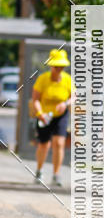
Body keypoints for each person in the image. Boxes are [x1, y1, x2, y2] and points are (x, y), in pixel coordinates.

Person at [32, 48, 72, 186]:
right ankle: (39, 171)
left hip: (60, 116)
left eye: (62, 66)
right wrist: (40, 114)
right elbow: (36, 99)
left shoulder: (67, 80)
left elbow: (74, 97)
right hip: (44, 115)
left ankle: (56, 174)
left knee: (59, 143)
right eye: (56, 66)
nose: (59, 69)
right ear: (51, 66)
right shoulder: (43, 79)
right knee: (44, 145)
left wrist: (66, 103)